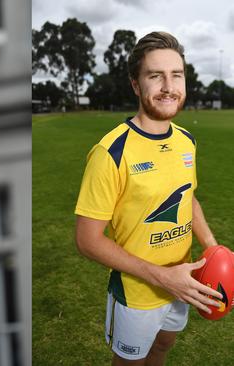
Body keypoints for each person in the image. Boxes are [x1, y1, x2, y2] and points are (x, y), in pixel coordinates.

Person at [75, 31, 222, 366]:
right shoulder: (110, 152)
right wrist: (161, 276)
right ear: (136, 85)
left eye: (176, 75)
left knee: (162, 349)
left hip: (182, 283)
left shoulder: (187, 140)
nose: (168, 86)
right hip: (136, 295)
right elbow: (86, 241)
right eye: (156, 76)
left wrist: (211, 246)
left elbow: (188, 198)